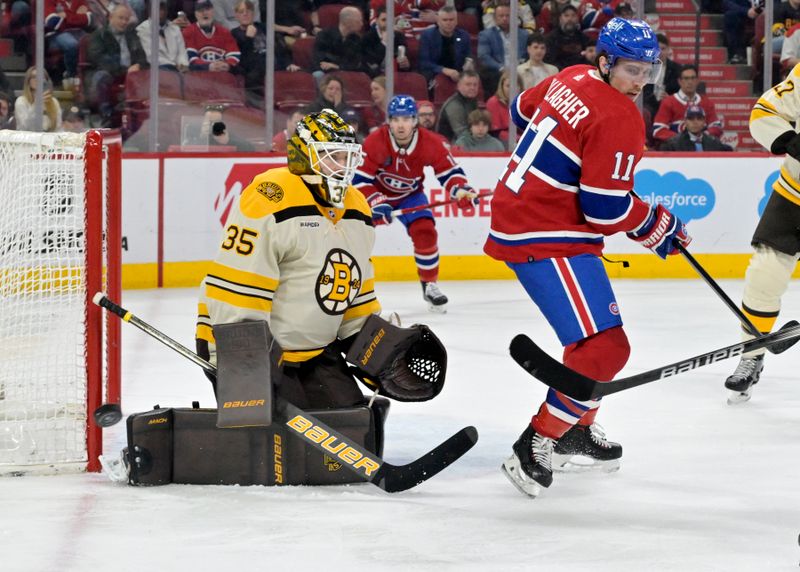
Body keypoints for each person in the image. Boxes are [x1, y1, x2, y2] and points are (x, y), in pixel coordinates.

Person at [485, 18, 692, 498]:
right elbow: (603, 209)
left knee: (595, 348)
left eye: (648, 70)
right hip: (543, 230)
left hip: (534, 218)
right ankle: (538, 440)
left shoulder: (571, 75)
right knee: (604, 350)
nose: (640, 81)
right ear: (605, 62)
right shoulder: (621, 116)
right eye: (631, 70)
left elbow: (520, 109)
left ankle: (575, 426)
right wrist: (655, 223)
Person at [194, 108, 381, 410]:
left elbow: (355, 293)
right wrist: (247, 357)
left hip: (314, 351)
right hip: (243, 342)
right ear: (304, 155)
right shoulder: (272, 196)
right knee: (283, 449)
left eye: (347, 157)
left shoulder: (357, 206)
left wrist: (374, 347)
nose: (343, 167)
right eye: (332, 155)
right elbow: (238, 289)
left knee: (352, 431)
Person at [353, 95, 479, 312]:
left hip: (409, 195)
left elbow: (448, 171)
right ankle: (352, 286)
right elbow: (359, 180)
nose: (401, 125)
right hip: (375, 195)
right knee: (356, 237)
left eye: (406, 119)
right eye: (395, 119)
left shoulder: (429, 142)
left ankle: (430, 285)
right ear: (389, 121)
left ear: (415, 121)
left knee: (425, 231)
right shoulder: (376, 141)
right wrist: (376, 202)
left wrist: (460, 189)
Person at [723, 63, 800, 403]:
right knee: (764, 275)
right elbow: (765, 111)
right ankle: (751, 354)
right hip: (795, 193)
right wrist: (793, 142)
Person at [86, 3, 149, 127]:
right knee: (102, 76)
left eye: (126, 19)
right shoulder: (99, 36)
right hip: (110, 73)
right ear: (110, 17)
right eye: (121, 18)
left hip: (131, 75)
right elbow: (100, 60)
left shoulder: (132, 36)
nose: (124, 22)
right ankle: (106, 116)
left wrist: (138, 66)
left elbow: (143, 58)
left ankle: (141, 117)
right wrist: (126, 70)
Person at [653, 64, 723, 146]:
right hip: (677, 150)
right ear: (679, 81)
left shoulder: (707, 103)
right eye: (686, 78)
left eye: (693, 78)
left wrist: (702, 138)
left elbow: (716, 127)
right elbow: (658, 130)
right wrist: (683, 140)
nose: (690, 82)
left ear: (697, 80)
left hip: (703, 148)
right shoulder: (668, 102)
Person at [477, 0, 529, 96]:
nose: (504, 18)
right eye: (501, 16)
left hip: (520, 72)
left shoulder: (524, 35)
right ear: (495, 18)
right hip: (497, 73)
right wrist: (501, 68)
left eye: (507, 15)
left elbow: (527, 55)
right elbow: (484, 56)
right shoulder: (486, 35)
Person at [182, 0, 240, 73]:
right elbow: (190, 58)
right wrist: (208, 66)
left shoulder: (224, 32)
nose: (204, 13)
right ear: (195, 14)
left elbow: (234, 54)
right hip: (200, 77)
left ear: (213, 11)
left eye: (207, 9)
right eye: (200, 11)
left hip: (223, 75)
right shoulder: (188, 32)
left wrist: (227, 65)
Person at [311, 6, 367, 81]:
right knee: (318, 75)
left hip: (345, 73)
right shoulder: (324, 35)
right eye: (358, 21)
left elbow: (355, 64)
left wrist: (336, 66)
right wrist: (340, 64)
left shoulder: (356, 39)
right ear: (347, 22)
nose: (362, 24)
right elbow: (320, 59)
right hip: (324, 72)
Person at [418, 5, 471, 82]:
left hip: (457, 73)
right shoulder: (427, 35)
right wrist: (444, 70)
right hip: (434, 73)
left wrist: (469, 63)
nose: (448, 23)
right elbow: (424, 63)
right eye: (445, 20)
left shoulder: (463, 35)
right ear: (438, 22)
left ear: (456, 21)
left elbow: (468, 56)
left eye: (451, 20)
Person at [136, 0, 189, 72]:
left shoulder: (175, 28)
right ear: (150, 11)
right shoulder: (142, 29)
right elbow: (151, 57)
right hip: (158, 72)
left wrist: (183, 65)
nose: (161, 12)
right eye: (158, 9)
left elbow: (182, 52)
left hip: (180, 71)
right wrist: (174, 67)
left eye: (163, 9)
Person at [659, 105, 733, 151]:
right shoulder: (673, 144)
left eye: (699, 119)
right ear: (685, 121)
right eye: (691, 119)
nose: (695, 122)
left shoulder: (713, 142)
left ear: (704, 121)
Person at [184, 104, 254, 150]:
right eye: (210, 122)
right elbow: (182, 151)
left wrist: (228, 142)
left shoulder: (233, 138)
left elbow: (249, 149)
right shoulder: (193, 131)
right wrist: (202, 138)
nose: (213, 126)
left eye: (217, 123)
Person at [436, 70, 481, 142]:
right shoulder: (453, 104)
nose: (472, 88)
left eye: (475, 85)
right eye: (468, 84)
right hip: (450, 145)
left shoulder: (473, 101)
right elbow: (461, 134)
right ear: (459, 86)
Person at [14, 67, 62, 132]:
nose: (38, 79)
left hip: (48, 139)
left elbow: (58, 127)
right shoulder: (21, 101)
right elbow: (25, 126)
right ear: (28, 81)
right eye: (34, 77)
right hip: (28, 139)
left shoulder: (54, 102)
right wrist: (36, 105)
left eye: (41, 77)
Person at [545, 4, 591, 70]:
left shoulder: (584, 38)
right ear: (560, 18)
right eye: (566, 16)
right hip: (560, 74)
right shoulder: (551, 38)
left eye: (573, 15)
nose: (570, 19)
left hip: (580, 73)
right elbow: (550, 61)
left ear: (577, 18)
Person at [485, 69, 523, 142]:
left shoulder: (523, 102)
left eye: (515, 85)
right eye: (508, 86)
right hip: (501, 141)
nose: (512, 89)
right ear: (502, 87)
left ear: (520, 87)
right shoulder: (493, 102)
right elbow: (495, 132)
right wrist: (519, 139)